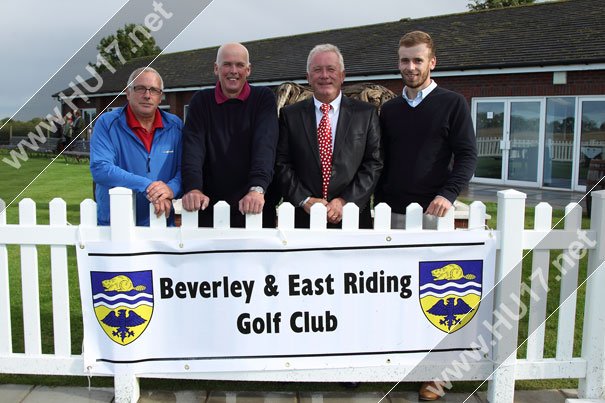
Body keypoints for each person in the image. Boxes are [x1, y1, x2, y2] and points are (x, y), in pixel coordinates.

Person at [375, 31, 477, 400]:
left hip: (435, 217)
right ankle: (378, 362)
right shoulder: (388, 109)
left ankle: (434, 375)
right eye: (405, 60)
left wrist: (447, 194)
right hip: (390, 216)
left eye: (418, 60)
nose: (411, 67)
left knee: (433, 298)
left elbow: (467, 155)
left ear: (432, 62)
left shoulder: (452, 103)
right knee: (389, 294)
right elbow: (379, 161)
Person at [275, 44, 382, 229]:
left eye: (331, 69)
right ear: (308, 77)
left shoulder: (366, 114)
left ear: (342, 75)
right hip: (302, 219)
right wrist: (304, 199)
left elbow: (374, 163)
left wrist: (345, 201)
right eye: (317, 70)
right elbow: (281, 162)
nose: (325, 75)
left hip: (352, 217)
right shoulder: (290, 115)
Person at [181, 42, 279, 228]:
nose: (233, 70)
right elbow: (193, 148)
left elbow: (265, 145)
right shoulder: (201, 102)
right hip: (208, 207)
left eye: (240, 65)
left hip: (254, 204)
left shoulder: (263, 99)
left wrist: (257, 188)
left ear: (248, 70)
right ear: (216, 68)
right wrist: (193, 188)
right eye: (227, 64)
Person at [90, 66, 182, 226]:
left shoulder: (175, 126)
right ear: (128, 92)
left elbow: (186, 169)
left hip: (161, 223)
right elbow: (101, 169)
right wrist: (147, 185)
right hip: (115, 225)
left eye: (154, 90)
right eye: (140, 88)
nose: (147, 95)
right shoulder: (107, 123)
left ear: (161, 97)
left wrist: (171, 189)